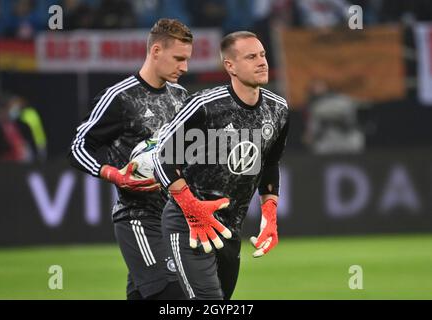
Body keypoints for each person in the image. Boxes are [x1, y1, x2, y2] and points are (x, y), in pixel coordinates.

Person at [153, 31, 290, 299]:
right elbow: (162, 157)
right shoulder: (205, 106)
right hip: (188, 224)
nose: (262, 62)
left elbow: (270, 163)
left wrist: (270, 214)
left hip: (229, 229)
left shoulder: (279, 109)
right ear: (231, 66)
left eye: (262, 55)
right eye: (251, 57)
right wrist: (192, 209)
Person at [67, 18, 193, 300]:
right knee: (176, 296)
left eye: (187, 60)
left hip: (174, 220)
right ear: (156, 51)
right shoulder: (119, 98)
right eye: (179, 59)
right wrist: (114, 174)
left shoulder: (182, 97)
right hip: (139, 219)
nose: (184, 67)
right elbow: (77, 147)